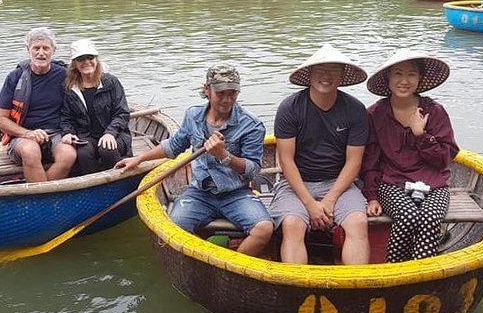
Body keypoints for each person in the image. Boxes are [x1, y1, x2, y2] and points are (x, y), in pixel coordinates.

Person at [115, 65, 274, 257]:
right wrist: (139, 158)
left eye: (232, 93)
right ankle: (210, 250)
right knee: (171, 232)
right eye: (221, 93)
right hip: (199, 193)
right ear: (207, 90)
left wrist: (224, 156)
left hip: (236, 193)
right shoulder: (193, 116)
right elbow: (173, 146)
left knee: (264, 229)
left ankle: (230, 265)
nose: (227, 99)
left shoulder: (251, 124)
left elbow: (253, 170)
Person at [268, 43, 370, 265]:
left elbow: (354, 162)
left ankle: (355, 288)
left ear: (342, 75)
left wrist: (331, 199)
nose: (326, 76)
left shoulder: (355, 109)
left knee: (358, 222)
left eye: (334, 70)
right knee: (293, 225)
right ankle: (296, 286)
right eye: (321, 70)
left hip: (340, 183)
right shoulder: (290, 108)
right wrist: (310, 203)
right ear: (310, 74)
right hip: (296, 184)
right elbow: (286, 160)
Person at [360, 49, 459, 263]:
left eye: (411, 74)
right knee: (407, 216)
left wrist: (420, 135)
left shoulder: (435, 111)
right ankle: (394, 268)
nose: (404, 81)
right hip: (392, 183)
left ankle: (419, 272)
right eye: (398, 74)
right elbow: (370, 160)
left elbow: (444, 159)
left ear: (420, 79)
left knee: (431, 219)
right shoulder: (375, 114)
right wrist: (372, 196)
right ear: (388, 79)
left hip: (433, 185)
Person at [0, 27, 76, 182]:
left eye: (46, 48)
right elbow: (0, 119)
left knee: (69, 154)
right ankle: (44, 199)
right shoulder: (15, 77)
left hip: (56, 134)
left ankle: (39, 192)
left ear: (53, 50)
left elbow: (90, 80)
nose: (41, 53)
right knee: (31, 151)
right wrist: (27, 133)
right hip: (22, 137)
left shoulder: (64, 75)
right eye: (36, 48)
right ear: (28, 50)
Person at [60, 39, 132, 175]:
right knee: (83, 151)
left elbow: (122, 113)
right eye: (81, 59)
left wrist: (110, 133)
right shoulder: (70, 88)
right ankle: (94, 184)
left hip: (117, 134)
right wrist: (67, 132)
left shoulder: (111, 82)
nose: (86, 62)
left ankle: (118, 180)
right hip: (88, 136)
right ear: (75, 64)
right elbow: (66, 117)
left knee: (107, 148)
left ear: (96, 59)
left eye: (90, 57)